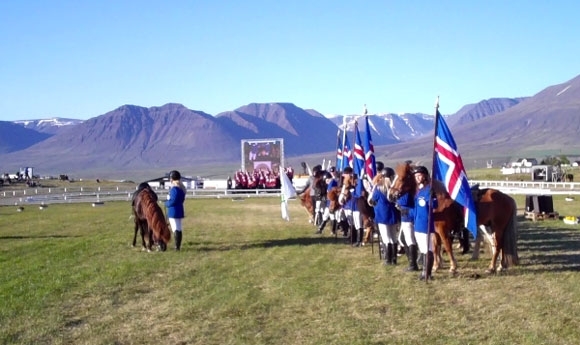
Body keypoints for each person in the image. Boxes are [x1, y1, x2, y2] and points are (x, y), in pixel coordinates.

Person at [368, 170, 399, 264]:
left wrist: (373, 188)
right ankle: (394, 259)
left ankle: (388, 259)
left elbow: (371, 201)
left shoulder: (378, 189)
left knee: (386, 238)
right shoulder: (393, 190)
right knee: (394, 237)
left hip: (382, 215)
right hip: (393, 215)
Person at [412, 165, 436, 280]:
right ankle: (423, 272)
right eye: (415, 176)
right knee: (422, 249)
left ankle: (428, 273)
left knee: (428, 249)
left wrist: (432, 198)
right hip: (417, 223)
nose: (417, 178)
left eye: (419, 175)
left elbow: (434, 206)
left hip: (426, 223)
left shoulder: (428, 190)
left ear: (425, 176)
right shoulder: (418, 191)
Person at [165, 170, 186, 251]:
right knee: (179, 228)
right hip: (179, 210)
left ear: (171, 179)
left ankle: (177, 247)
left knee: (175, 229)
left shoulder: (174, 189)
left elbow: (172, 201)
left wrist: (166, 203)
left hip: (173, 211)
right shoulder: (181, 189)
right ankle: (178, 246)